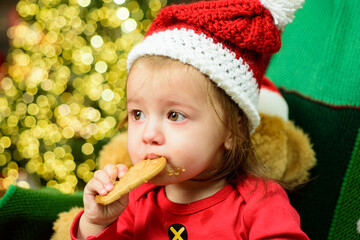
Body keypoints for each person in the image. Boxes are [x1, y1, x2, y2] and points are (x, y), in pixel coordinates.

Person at [71, 0, 309, 239]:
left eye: (174, 115)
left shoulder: (259, 203)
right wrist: (95, 223)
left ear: (232, 130)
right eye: (138, 114)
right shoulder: (133, 201)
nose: (148, 134)